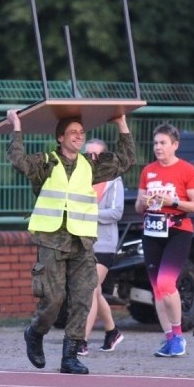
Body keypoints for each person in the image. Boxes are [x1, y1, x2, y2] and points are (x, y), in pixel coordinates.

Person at [6, 109, 135, 374]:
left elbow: (126, 159)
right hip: (51, 239)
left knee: (82, 298)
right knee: (53, 300)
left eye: (81, 133)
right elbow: (18, 161)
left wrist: (122, 123)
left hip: (82, 241)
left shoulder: (91, 164)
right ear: (60, 137)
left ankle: (71, 356)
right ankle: (35, 332)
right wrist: (16, 126)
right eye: (73, 133)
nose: (79, 137)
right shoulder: (46, 162)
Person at [135, 123, 194, 357]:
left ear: (175, 145)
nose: (158, 147)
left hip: (178, 230)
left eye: (163, 143)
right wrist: (145, 201)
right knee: (157, 290)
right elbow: (138, 206)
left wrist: (172, 202)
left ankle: (178, 336)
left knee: (166, 284)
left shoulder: (186, 170)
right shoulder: (148, 171)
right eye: (155, 143)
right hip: (152, 231)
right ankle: (168, 339)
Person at [80, 138, 125, 356]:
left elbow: (116, 212)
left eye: (96, 154)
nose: (92, 158)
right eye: (88, 154)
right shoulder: (79, 178)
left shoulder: (113, 180)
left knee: (90, 289)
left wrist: (90, 214)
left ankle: (81, 340)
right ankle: (112, 331)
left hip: (104, 244)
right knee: (95, 291)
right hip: (83, 242)